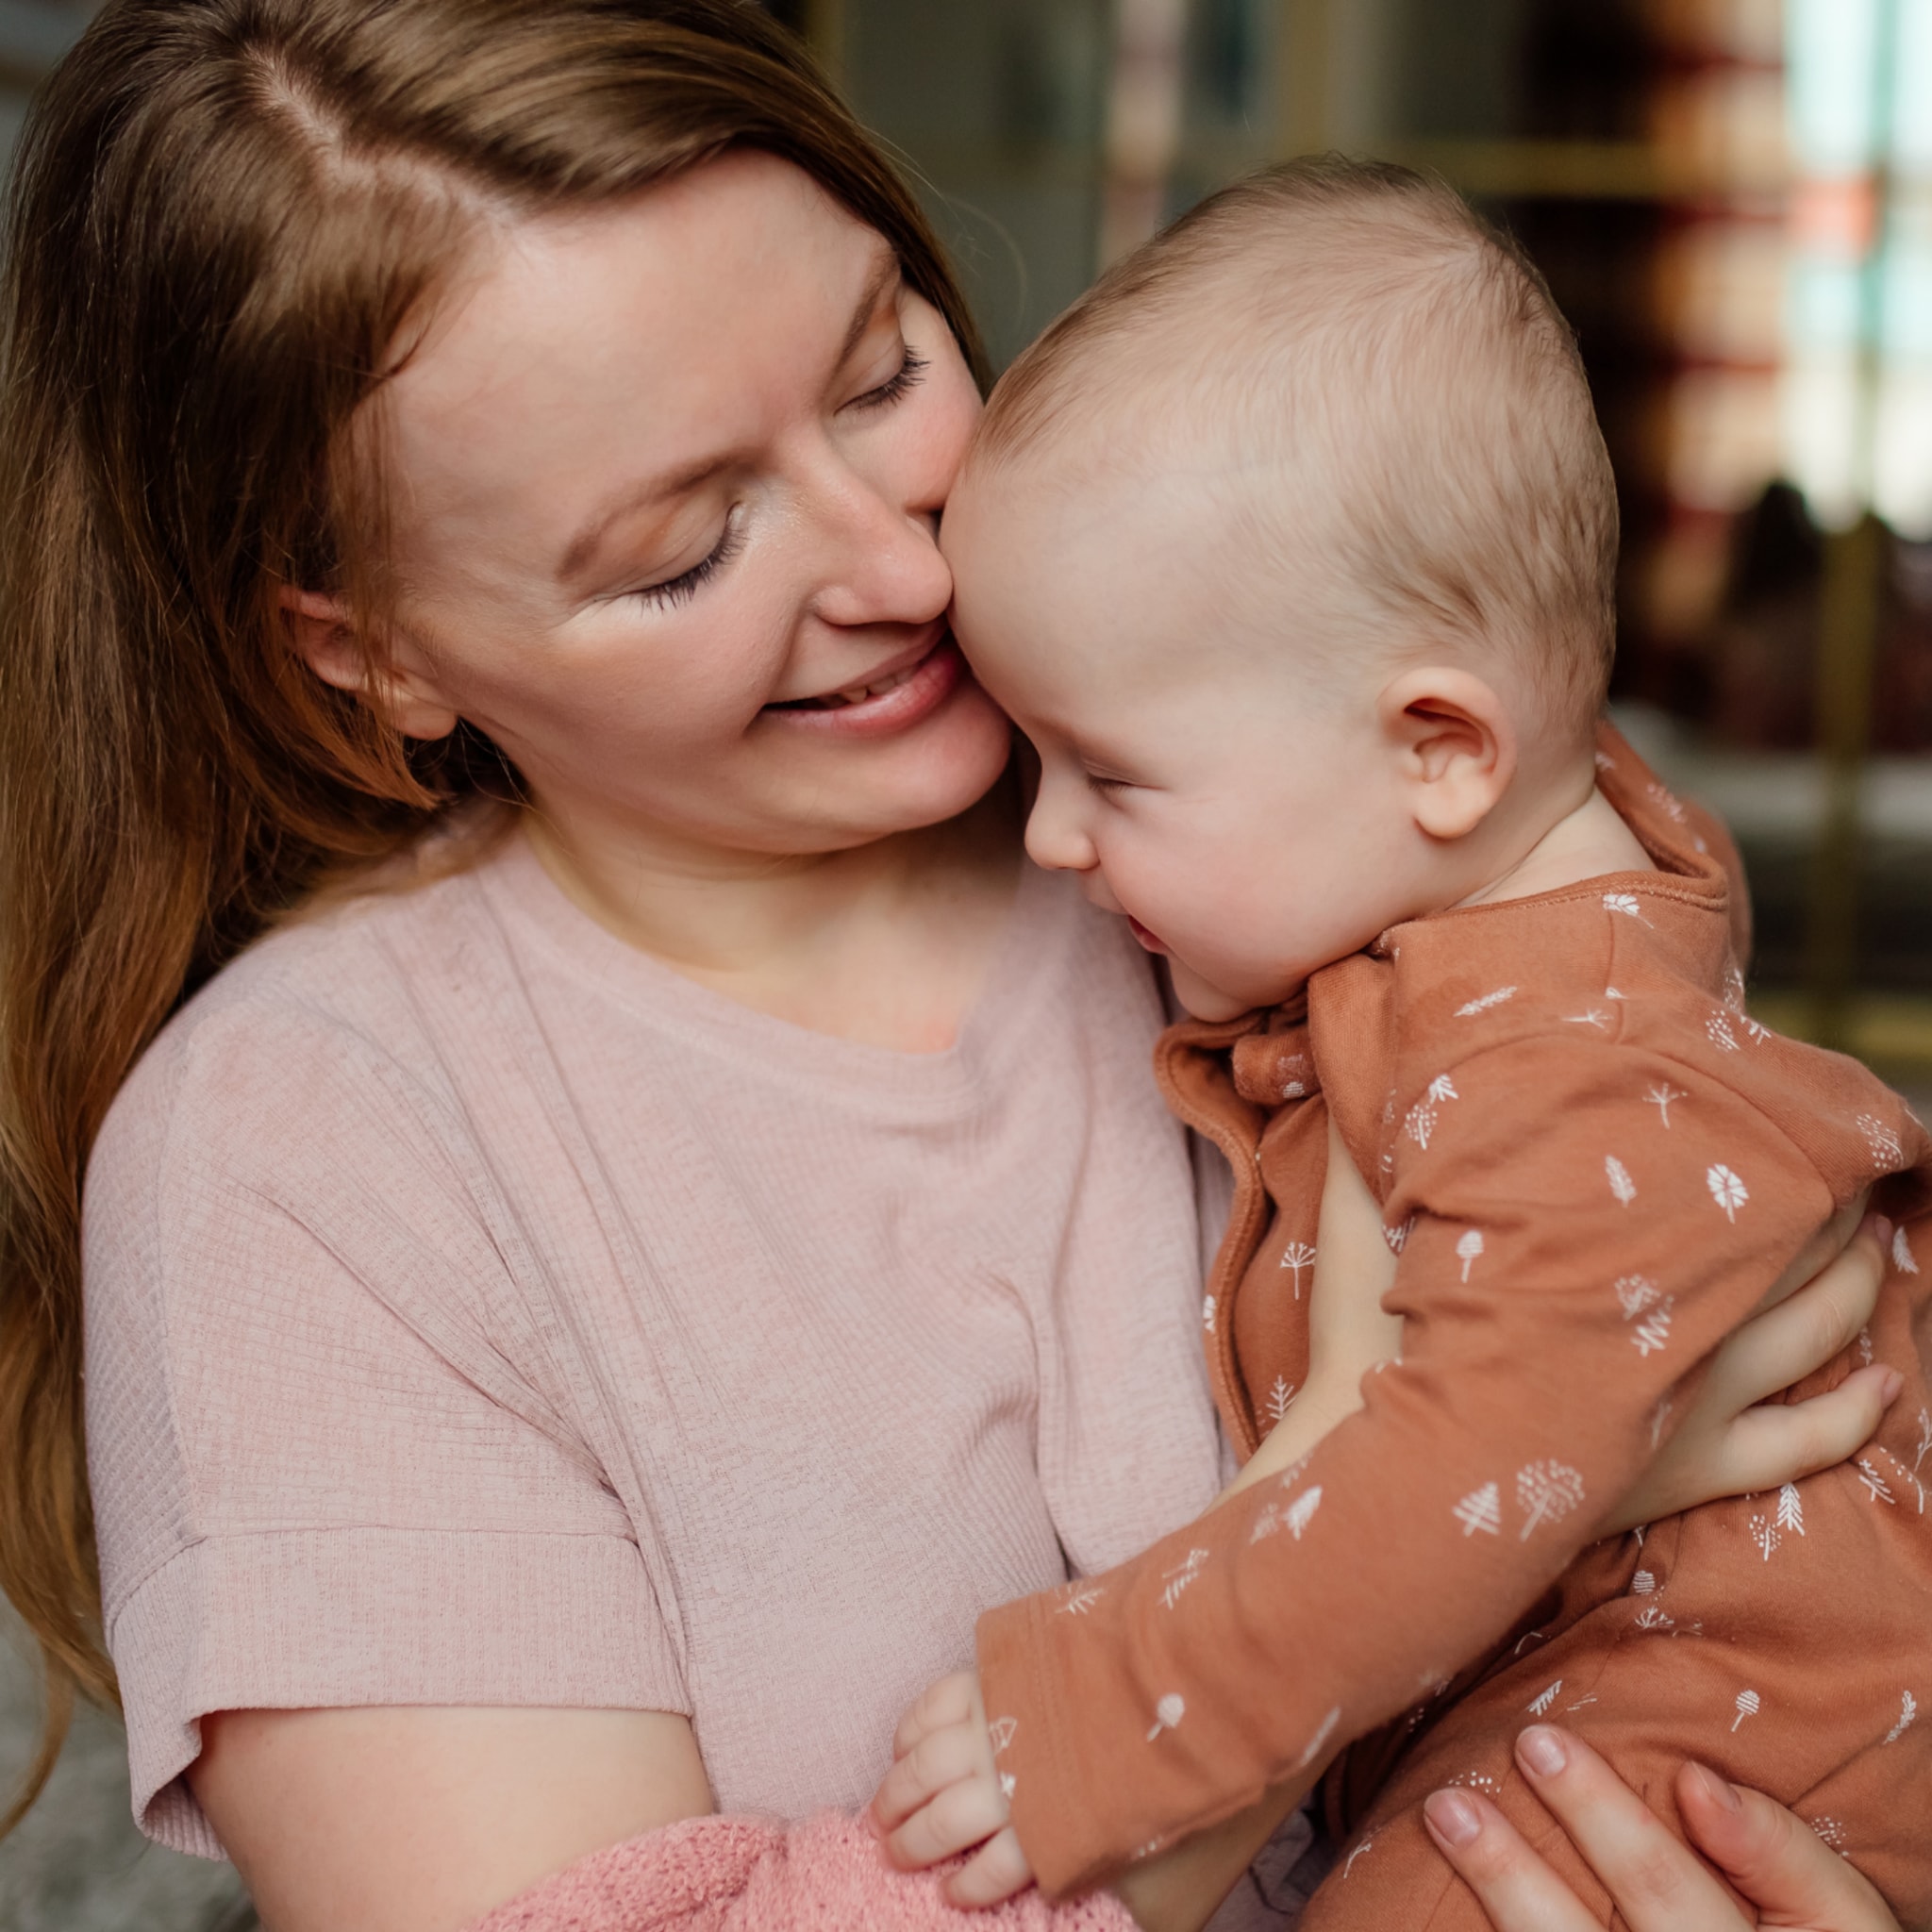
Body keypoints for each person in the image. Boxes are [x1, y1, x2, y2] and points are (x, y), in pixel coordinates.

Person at [0, 7, 1898, 1930]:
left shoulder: (1271, 764)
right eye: (681, 549)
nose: (905, 571)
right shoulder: (303, 1158)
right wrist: (1423, 1499)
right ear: (372, 648)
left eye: (880, 372)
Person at [871, 161, 1932, 1928]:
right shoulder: (1517, 905)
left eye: (1112, 775)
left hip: (1688, 1765)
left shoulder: (1575, 1064)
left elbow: (1448, 1478)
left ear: (1442, 750)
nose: (1049, 837)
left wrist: (1113, 1708)